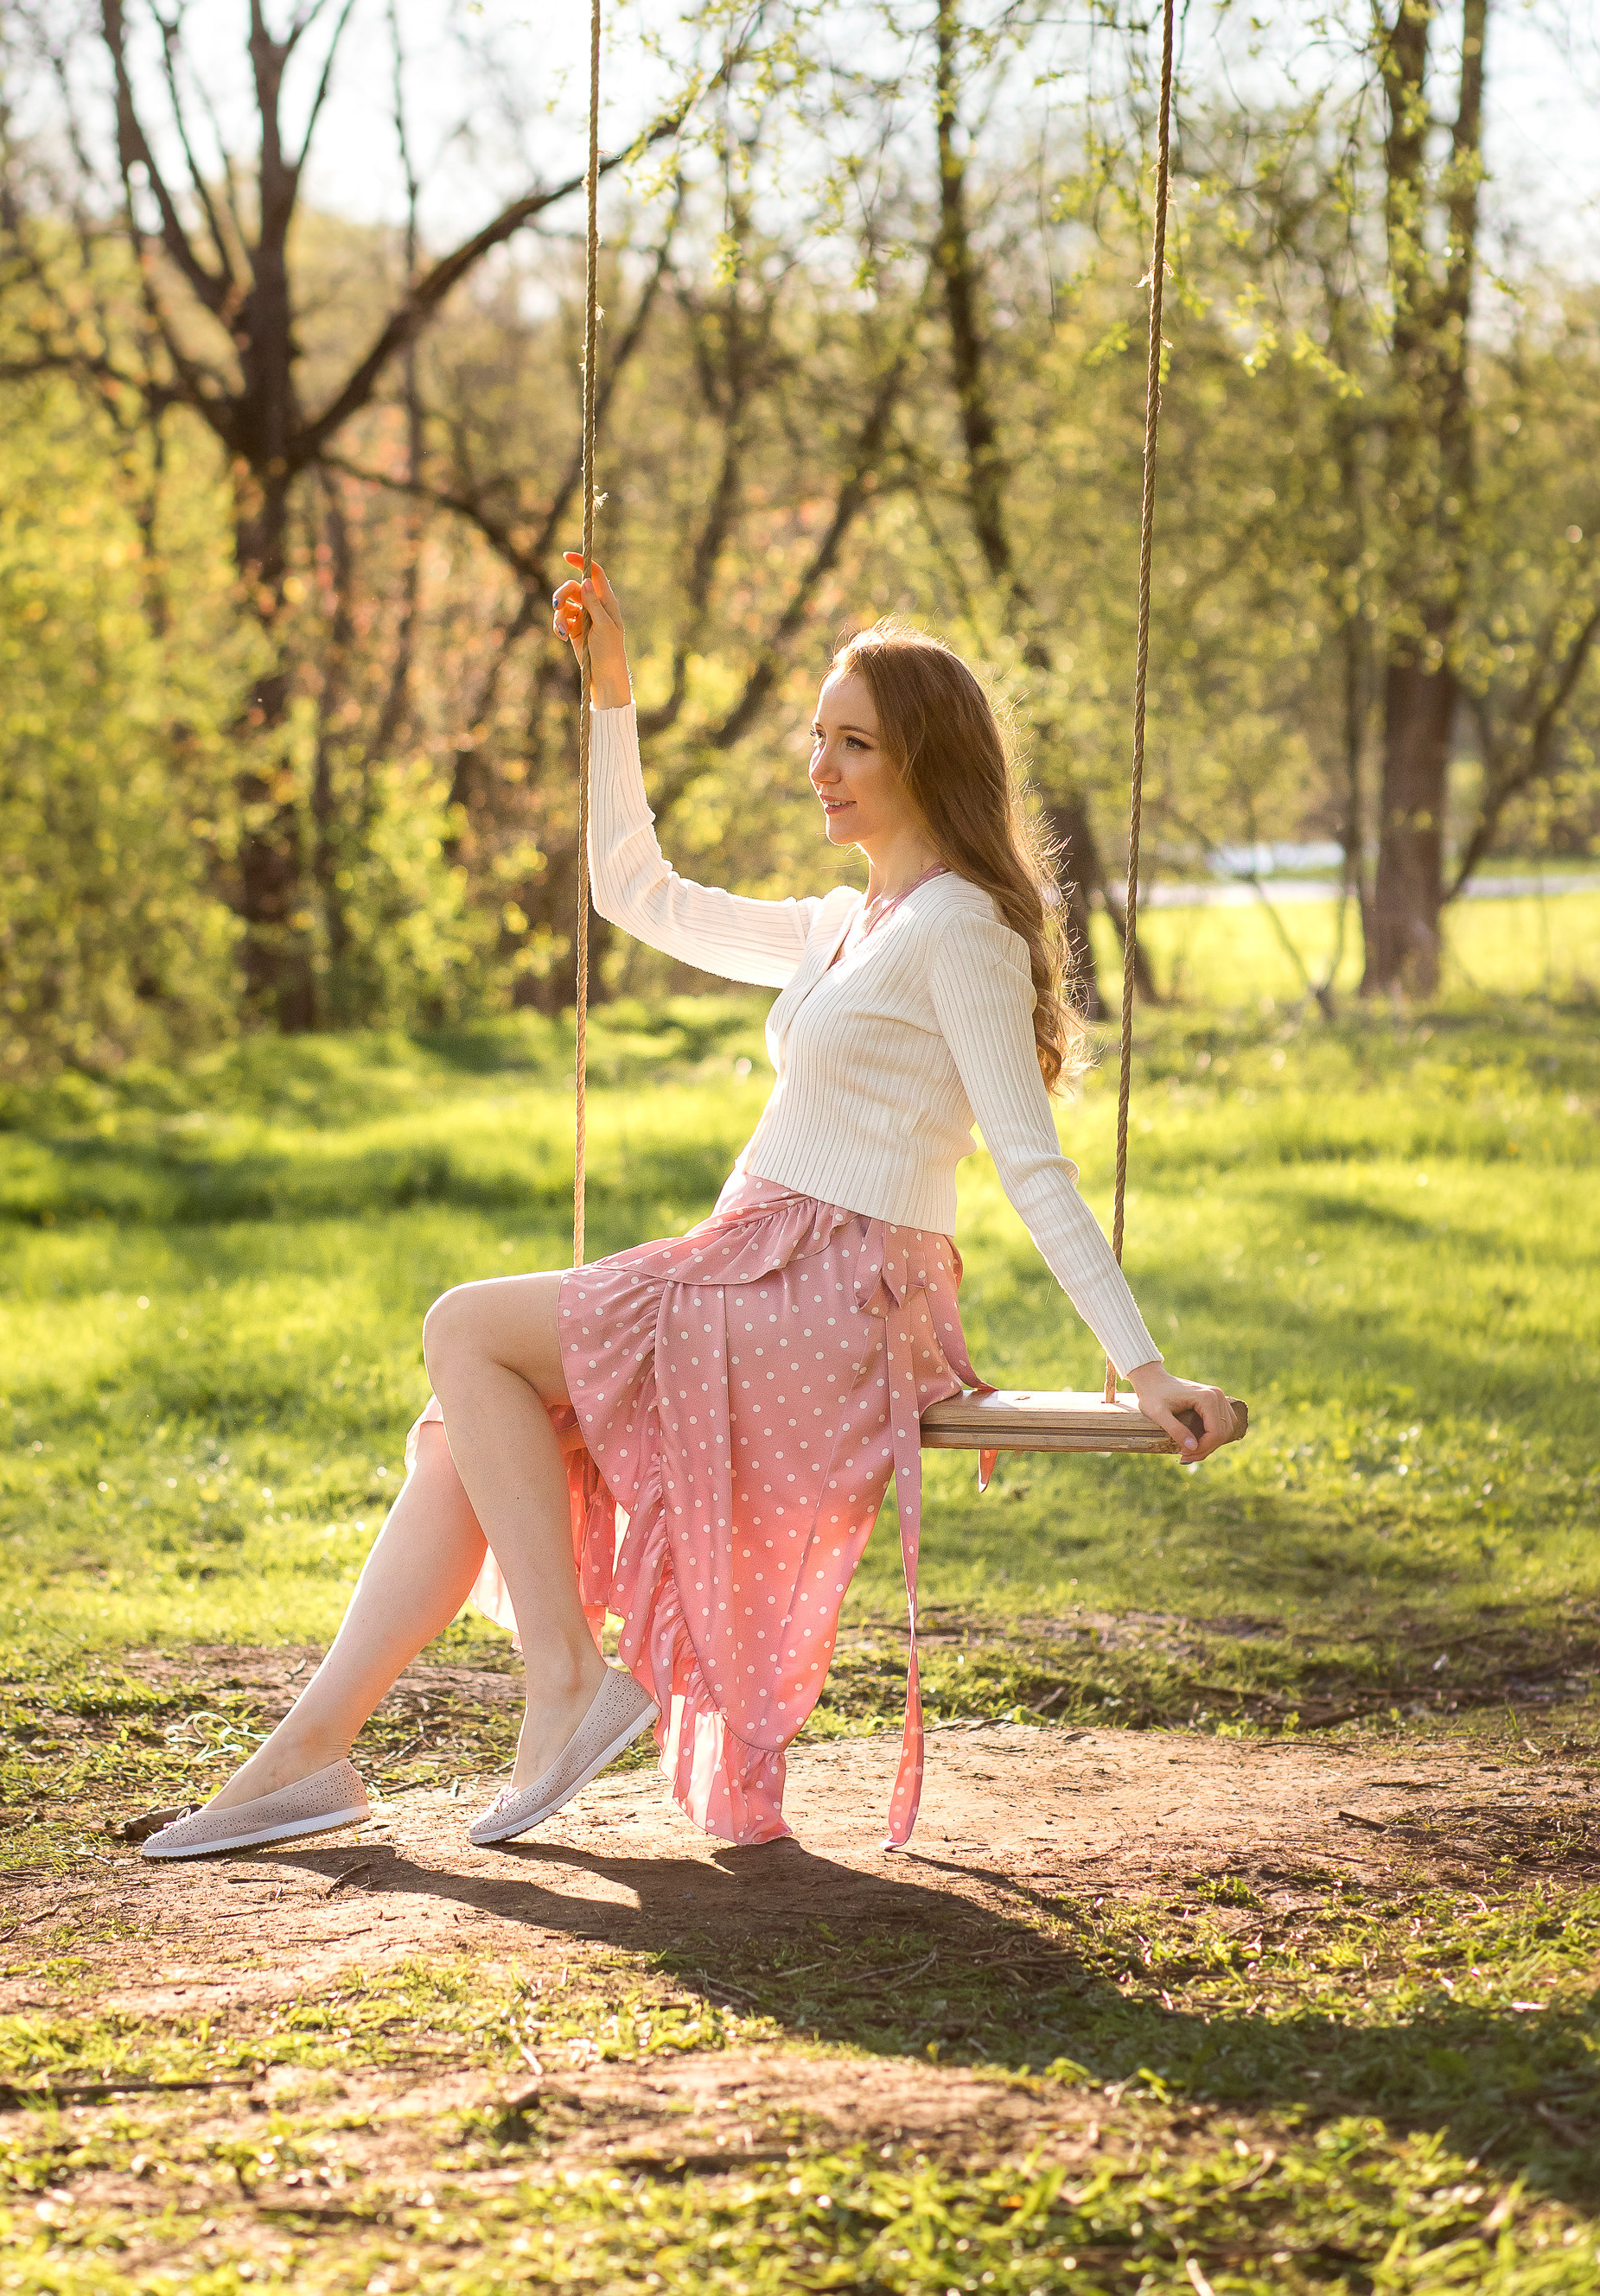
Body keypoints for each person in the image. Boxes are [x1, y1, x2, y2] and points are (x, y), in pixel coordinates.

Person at [144, 560, 1238, 1864]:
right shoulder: (846, 924)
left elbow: (1033, 1166)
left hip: (830, 1287)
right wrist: (612, 692)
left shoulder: (961, 932)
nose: (820, 768)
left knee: (465, 1330)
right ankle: (308, 1757)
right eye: (818, 738)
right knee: (461, 1436)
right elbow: (635, 893)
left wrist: (1142, 1366)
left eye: (854, 744)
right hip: (756, 1262)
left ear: (927, 759)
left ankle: (564, 1681)